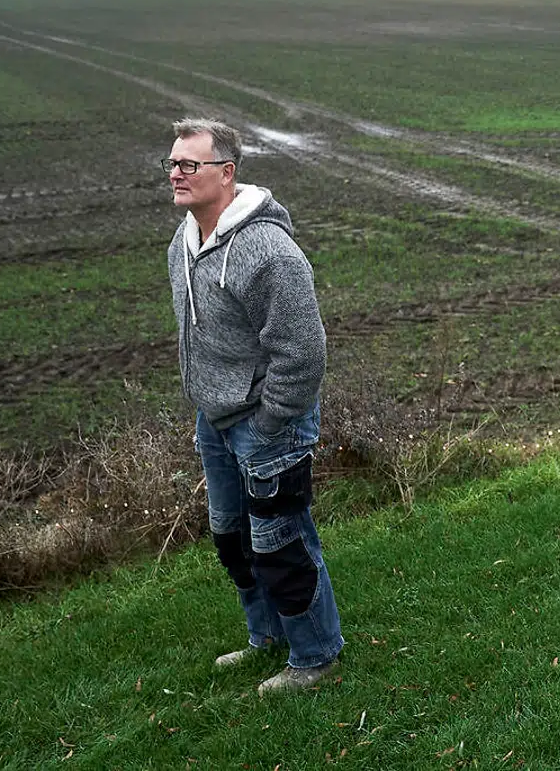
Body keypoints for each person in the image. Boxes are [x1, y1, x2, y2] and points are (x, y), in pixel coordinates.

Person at [163, 117, 343, 694]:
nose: (176, 174)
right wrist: (209, 408)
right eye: (172, 163)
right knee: (232, 539)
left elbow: (304, 350)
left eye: (189, 164)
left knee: (282, 543)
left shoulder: (266, 249)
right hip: (215, 422)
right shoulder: (185, 240)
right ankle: (265, 638)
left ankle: (314, 657)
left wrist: (269, 423)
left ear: (227, 172)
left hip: (267, 425)